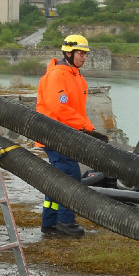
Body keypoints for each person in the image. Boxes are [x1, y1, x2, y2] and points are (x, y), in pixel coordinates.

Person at [35, 34, 99, 237]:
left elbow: (76, 110)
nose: (84, 57)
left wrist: (84, 130)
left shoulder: (77, 77)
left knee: (57, 180)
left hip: (67, 134)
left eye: (85, 54)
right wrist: (88, 128)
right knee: (69, 177)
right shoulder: (56, 75)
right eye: (80, 53)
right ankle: (65, 222)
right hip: (54, 134)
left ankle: (50, 223)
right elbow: (59, 107)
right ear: (68, 53)